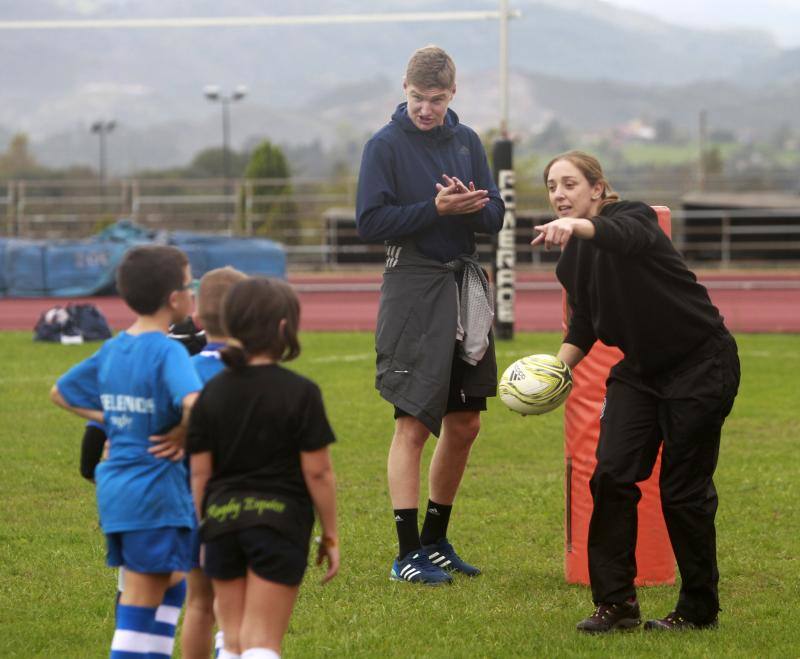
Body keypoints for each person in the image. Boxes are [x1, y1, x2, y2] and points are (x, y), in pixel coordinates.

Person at [532, 151, 740, 632]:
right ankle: (617, 605)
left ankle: (697, 610)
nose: (559, 195)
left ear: (598, 189)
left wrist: (579, 229)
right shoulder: (572, 262)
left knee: (681, 492)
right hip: (640, 373)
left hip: (700, 363)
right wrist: (552, 376)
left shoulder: (634, 217)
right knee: (611, 476)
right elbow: (585, 320)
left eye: (569, 184)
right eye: (551, 187)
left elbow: (621, 237)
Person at [356, 45, 505, 585]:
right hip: (413, 286)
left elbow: (496, 214)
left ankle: (436, 541)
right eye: (418, 98)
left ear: (452, 94)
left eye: (435, 99)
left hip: (465, 283)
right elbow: (370, 222)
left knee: (464, 423)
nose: (425, 109)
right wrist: (435, 210)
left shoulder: (466, 141)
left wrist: (473, 204)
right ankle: (405, 553)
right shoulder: (384, 146)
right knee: (414, 422)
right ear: (404, 89)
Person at [50, 245, 202, 658]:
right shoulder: (167, 349)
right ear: (174, 299)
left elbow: (60, 392)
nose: (193, 292)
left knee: (171, 580)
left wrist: (113, 416)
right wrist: (186, 432)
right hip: (153, 490)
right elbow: (194, 403)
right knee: (140, 601)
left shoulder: (115, 348)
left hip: (118, 489)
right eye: (190, 284)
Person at [187, 277, 339, 659]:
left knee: (234, 639)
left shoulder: (212, 391)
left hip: (222, 521)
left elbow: (199, 473)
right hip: (279, 525)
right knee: (262, 642)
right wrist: (331, 533)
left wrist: (202, 525)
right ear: (285, 328)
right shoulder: (301, 392)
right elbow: (317, 472)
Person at [182, 267, 247, 659]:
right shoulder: (257, 375)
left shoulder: (181, 372)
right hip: (244, 504)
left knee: (198, 604)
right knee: (236, 606)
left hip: (191, 502)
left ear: (197, 319)